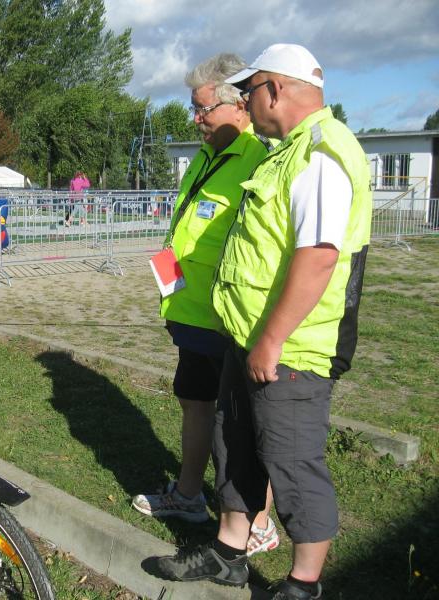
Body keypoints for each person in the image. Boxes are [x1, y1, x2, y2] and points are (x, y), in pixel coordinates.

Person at [154, 44, 372, 600]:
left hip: (290, 348)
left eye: (249, 91)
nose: (247, 103)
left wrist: (272, 339)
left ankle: (303, 583)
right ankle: (229, 552)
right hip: (246, 336)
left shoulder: (320, 154)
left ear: (274, 88)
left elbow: (318, 257)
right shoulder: (288, 152)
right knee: (234, 445)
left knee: (291, 461)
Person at [131, 53, 278, 556]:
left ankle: (259, 522)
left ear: (240, 104)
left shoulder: (259, 159)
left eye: (203, 108)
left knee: (242, 423)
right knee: (195, 404)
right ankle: (189, 495)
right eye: (194, 108)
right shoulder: (205, 154)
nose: (195, 119)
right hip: (191, 312)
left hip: (231, 318)